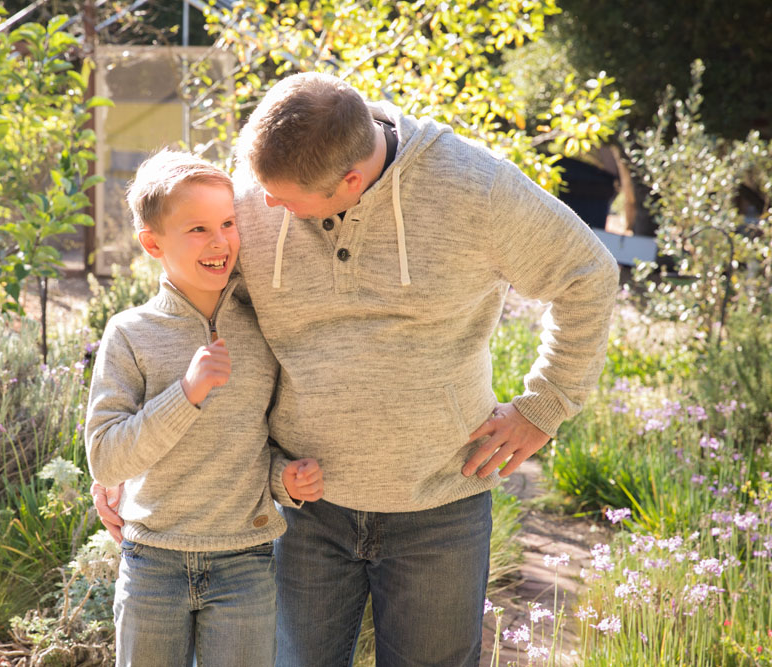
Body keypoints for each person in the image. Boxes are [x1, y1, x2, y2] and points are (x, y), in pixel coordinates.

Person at [95, 72, 619, 666]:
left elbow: (588, 275)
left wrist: (543, 407)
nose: (262, 206)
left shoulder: (477, 188)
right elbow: (190, 300)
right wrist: (126, 457)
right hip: (301, 506)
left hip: (438, 504)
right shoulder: (263, 185)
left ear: (349, 180)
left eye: (285, 201)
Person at [84, 149, 324, 667]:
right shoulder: (129, 333)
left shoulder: (262, 328)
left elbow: (260, 442)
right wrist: (186, 393)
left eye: (228, 223)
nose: (220, 242)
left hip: (245, 563)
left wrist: (287, 481)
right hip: (153, 562)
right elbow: (105, 459)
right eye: (197, 229)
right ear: (153, 244)